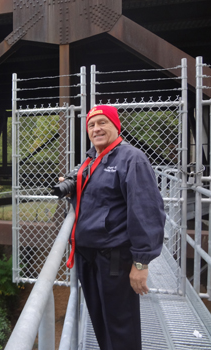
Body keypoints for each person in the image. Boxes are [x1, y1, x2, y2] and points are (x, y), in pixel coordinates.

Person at [61, 105, 165, 350]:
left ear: (116, 125)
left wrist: (140, 263)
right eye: (91, 125)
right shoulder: (90, 160)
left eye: (102, 122)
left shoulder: (132, 158)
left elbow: (147, 212)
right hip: (88, 256)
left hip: (115, 259)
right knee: (100, 322)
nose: (96, 128)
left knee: (121, 326)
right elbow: (99, 199)